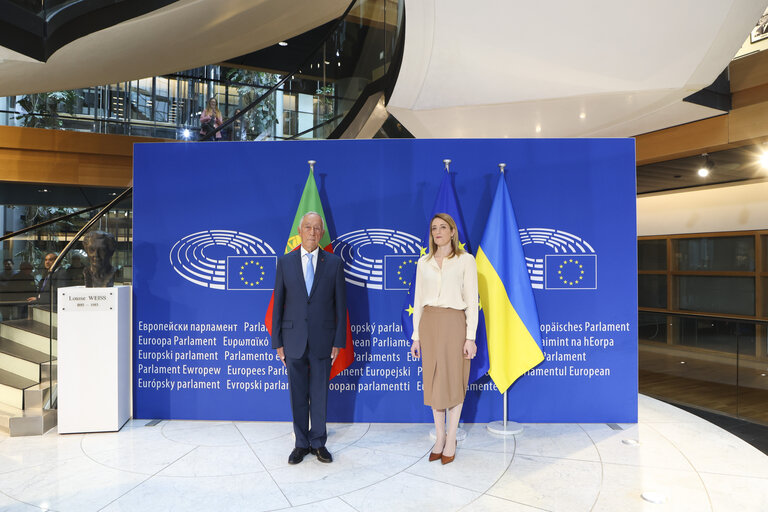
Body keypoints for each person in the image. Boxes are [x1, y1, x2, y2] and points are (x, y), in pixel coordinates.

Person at [271, 211, 347, 465]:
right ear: (300, 231)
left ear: (322, 233)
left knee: (319, 394)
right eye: (308, 227)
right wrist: (278, 343)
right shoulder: (285, 262)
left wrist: (338, 341)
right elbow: (278, 303)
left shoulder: (334, 264)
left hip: (323, 340)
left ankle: (318, 443)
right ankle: (301, 443)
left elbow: (340, 306)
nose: (313, 232)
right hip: (292, 340)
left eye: (317, 228)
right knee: (297, 394)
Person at [410, 213, 478, 465]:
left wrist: (470, 337)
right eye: (433, 228)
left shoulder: (465, 261)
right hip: (429, 322)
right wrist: (416, 336)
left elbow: (472, 301)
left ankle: (452, 439)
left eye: (442, 227)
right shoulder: (423, 263)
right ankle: (439, 437)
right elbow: (417, 302)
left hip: (454, 323)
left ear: (452, 231)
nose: (437, 232)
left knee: (454, 380)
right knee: (434, 381)